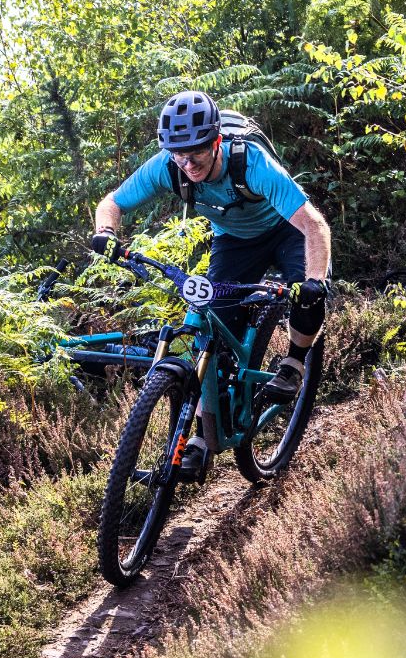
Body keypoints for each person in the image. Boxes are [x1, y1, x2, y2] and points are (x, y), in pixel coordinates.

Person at [90, 90, 332, 480]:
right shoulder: (168, 166)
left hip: (286, 231)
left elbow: (313, 225)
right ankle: (203, 436)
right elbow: (112, 203)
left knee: (308, 300)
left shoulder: (251, 163)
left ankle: (294, 363)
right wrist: (105, 233)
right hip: (234, 242)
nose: (187, 164)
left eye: (196, 154)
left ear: (216, 142)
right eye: (178, 155)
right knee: (208, 332)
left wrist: (314, 282)